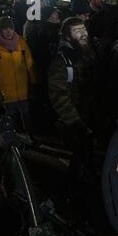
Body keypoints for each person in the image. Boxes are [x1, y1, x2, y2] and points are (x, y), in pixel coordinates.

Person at [48, 17, 98, 182]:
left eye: (83, 29)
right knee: (79, 158)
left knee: (87, 154)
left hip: (88, 115)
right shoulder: (61, 61)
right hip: (75, 121)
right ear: (67, 36)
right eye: (77, 31)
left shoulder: (88, 51)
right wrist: (77, 124)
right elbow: (58, 96)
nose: (83, 34)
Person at [0, 16, 35, 132]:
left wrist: (34, 82)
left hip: (23, 89)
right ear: (0, 30)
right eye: (5, 28)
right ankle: (15, 141)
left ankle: (29, 137)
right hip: (7, 92)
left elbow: (29, 63)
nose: (8, 31)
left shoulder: (22, 43)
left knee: (26, 116)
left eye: (10, 28)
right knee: (12, 118)